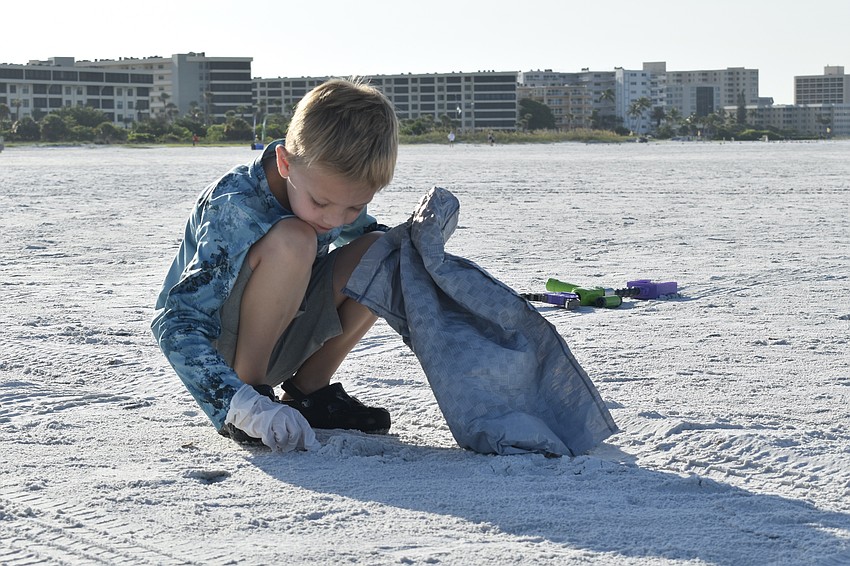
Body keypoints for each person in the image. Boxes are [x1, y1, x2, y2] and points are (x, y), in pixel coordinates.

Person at [151, 78, 399, 452]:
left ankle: (309, 393)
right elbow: (175, 321)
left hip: (283, 331)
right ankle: (256, 396)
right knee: (295, 239)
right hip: (223, 358)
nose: (334, 220)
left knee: (387, 252)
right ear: (285, 162)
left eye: (353, 206)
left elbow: (368, 238)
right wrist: (238, 405)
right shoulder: (235, 206)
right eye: (321, 202)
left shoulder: (325, 192)